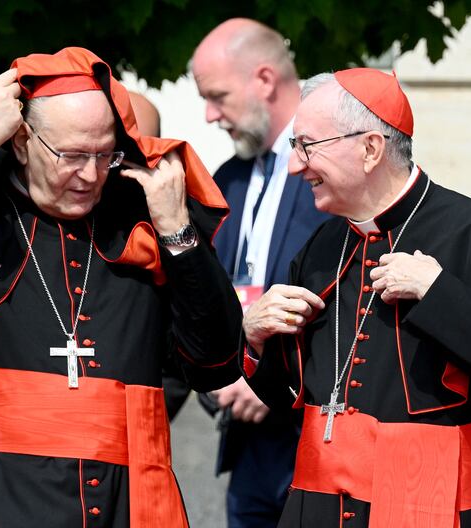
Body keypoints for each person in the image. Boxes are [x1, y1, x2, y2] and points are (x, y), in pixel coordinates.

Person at [0, 47, 242, 528]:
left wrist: (178, 234)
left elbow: (217, 362)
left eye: (105, 155)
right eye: (71, 155)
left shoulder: (140, 225)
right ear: (21, 142)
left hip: (126, 503)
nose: (89, 175)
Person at [241, 68, 471, 527]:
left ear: (371, 148)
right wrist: (253, 343)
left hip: (425, 506)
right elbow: (289, 398)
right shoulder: (319, 249)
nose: (295, 166)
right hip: (314, 511)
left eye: (306, 146)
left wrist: (440, 294)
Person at [190, 18, 330, 527]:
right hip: (247, 442)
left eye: (218, 96)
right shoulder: (226, 178)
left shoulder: (333, 168)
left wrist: (275, 382)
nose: (208, 115)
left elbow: (353, 298)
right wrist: (222, 375)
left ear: (265, 80)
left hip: (316, 441)